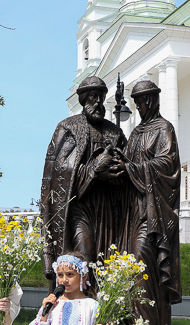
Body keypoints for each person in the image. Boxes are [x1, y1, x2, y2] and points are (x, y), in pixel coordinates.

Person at [110, 80, 183, 325]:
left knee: (142, 259)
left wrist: (132, 167)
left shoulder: (164, 128)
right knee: (129, 266)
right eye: (136, 101)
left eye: (142, 101)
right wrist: (120, 161)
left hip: (152, 211)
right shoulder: (137, 131)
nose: (139, 106)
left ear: (152, 100)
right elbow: (130, 163)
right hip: (133, 209)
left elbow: (167, 164)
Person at [40, 75, 127, 287]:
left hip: (107, 207)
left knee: (105, 262)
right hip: (78, 206)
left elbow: (126, 165)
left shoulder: (114, 132)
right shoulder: (68, 127)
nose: (98, 102)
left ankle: (102, 313)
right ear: (83, 100)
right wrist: (93, 169)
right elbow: (57, 171)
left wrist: (117, 169)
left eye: (101, 97)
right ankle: (79, 307)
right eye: (93, 97)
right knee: (83, 257)